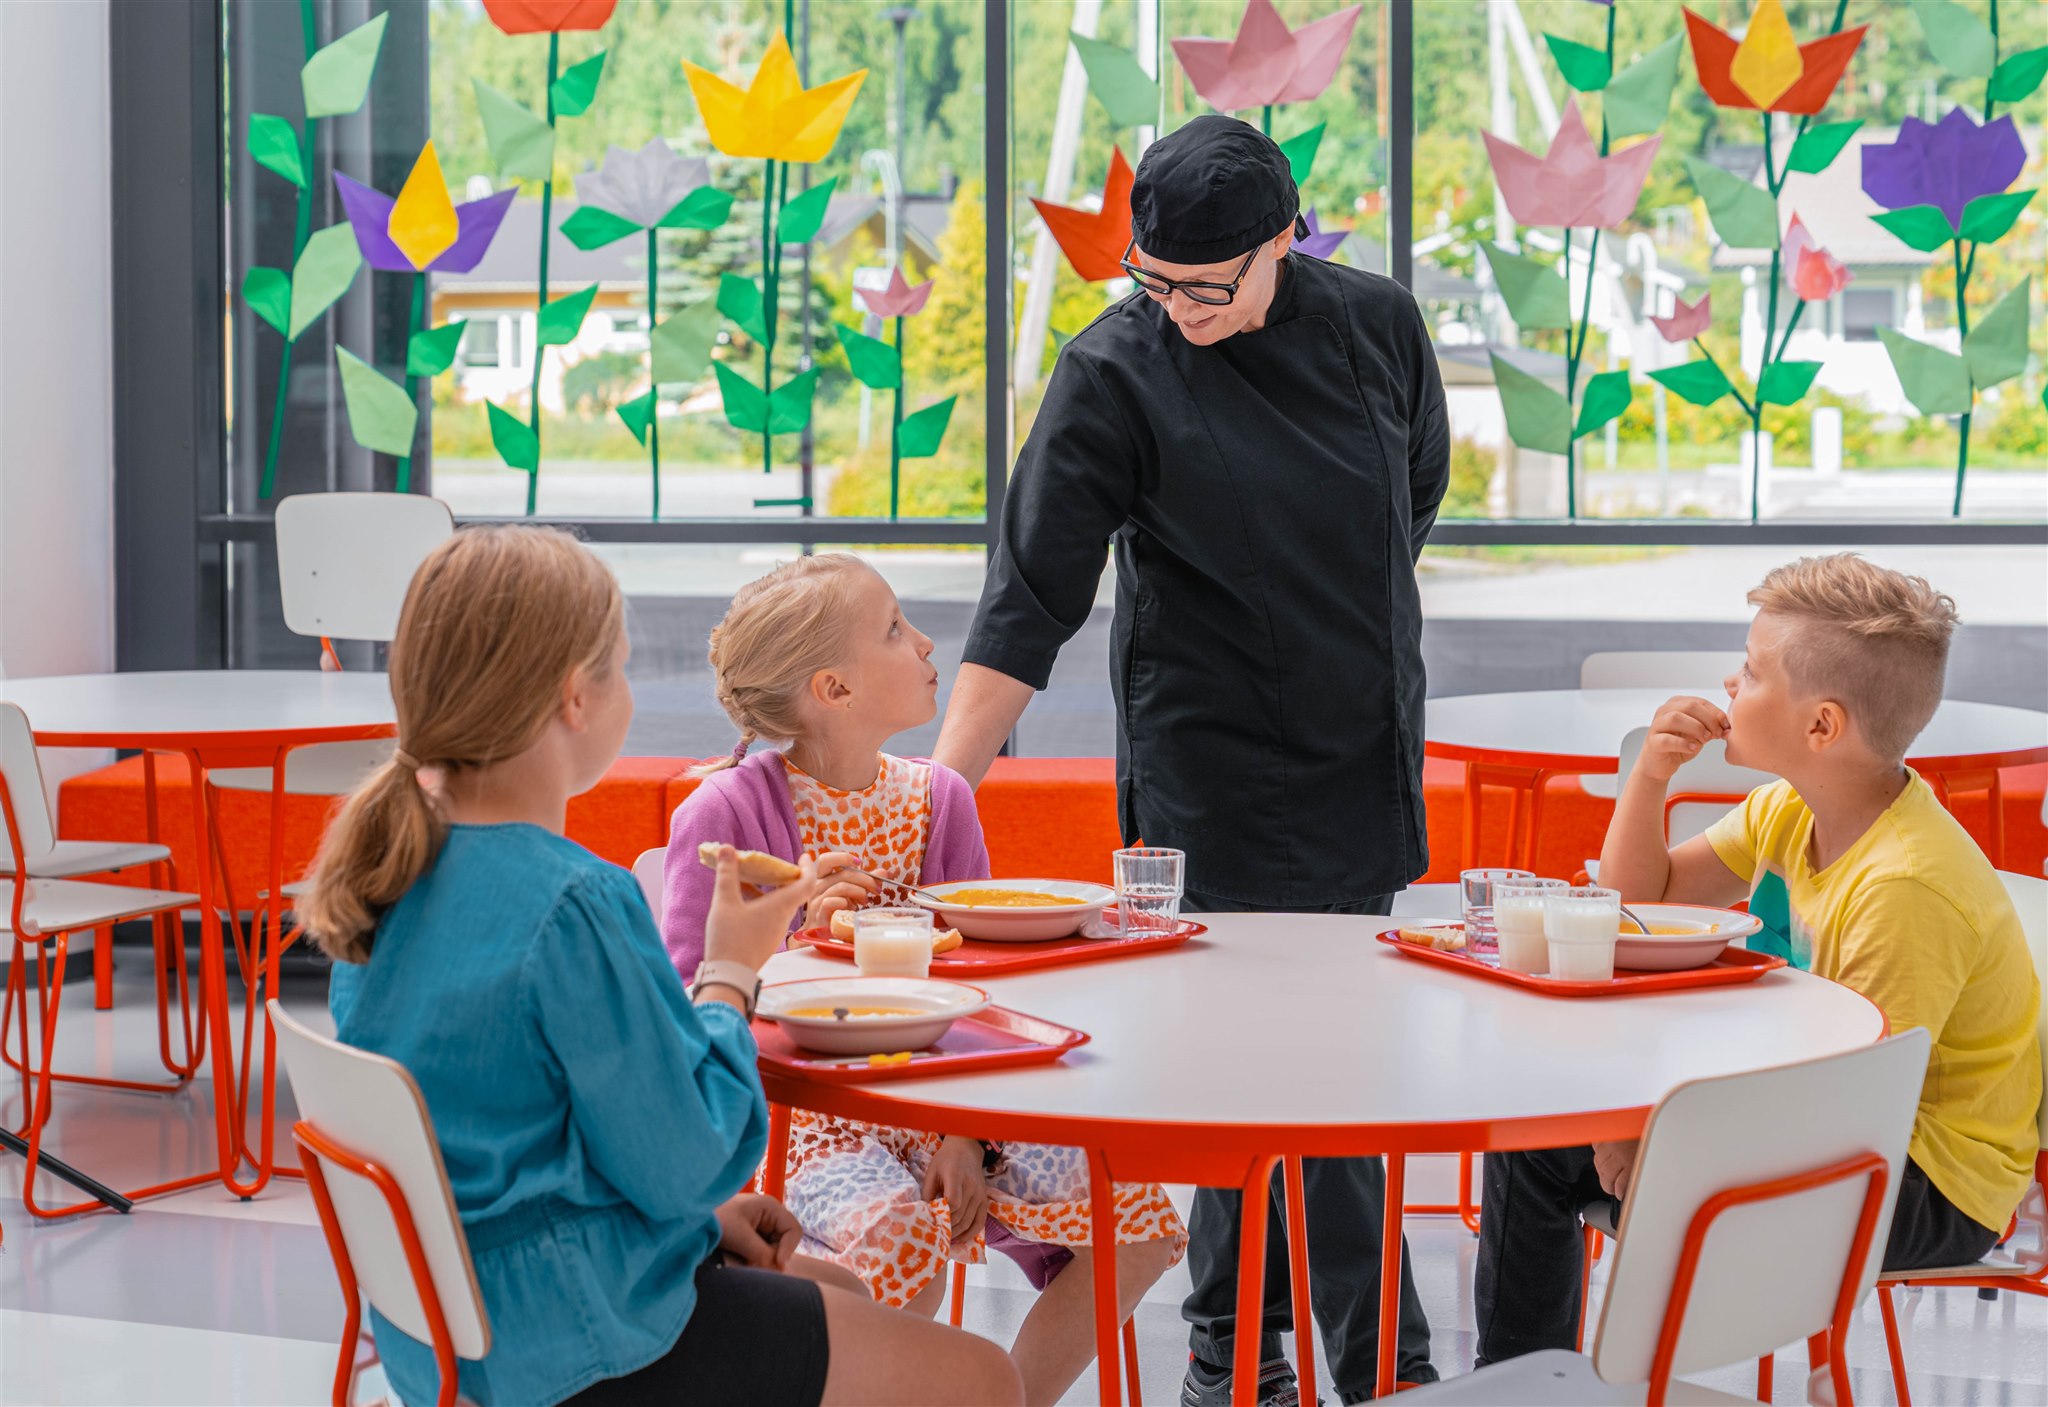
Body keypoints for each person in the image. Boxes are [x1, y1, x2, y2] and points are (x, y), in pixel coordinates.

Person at [932, 114, 1447, 1402]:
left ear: (1285, 238)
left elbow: (1412, 499)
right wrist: (935, 795)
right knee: (1251, 1083)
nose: (1175, 309)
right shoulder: (1112, 369)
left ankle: (1308, 1359)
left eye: (1203, 286)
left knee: (1338, 1081)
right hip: (1205, 765)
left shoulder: (1377, 326)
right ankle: (1285, 1360)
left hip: (1354, 747)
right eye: (1149, 281)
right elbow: (1025, 601)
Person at [301, 526, 1022, 1407]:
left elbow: (512, 1140)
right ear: (576, 697)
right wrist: (731, 970)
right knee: (983, 1379)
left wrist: (705, 1223)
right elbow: (700, 1157)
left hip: (451, 1336)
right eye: (622, 668)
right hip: (582, 1338)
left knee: (843, 1294)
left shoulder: (382, 882)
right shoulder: (576, 904)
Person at [1475, 554, 2042, 1373]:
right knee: (1537, 1134)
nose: (1730, 685)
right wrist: (1651, 774)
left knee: (1600, 1145)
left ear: (1821, 727)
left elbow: (1850, 1109)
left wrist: (1660, 1141)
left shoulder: (1905, 887)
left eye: (1750, 670)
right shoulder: (1795, 805)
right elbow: (1639, 900)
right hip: (1838, 1118)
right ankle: (1521, 1386)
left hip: (1925, 1181)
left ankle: (1588, 1374)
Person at [661, 552, 1186, 1407]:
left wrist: (964, 1135)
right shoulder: (722, 812)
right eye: (896, 629)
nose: (927, 642)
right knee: (905, 1236)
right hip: (810, 1120)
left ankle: (996, 1396)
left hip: (953, 1099)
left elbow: (983, 986)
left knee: (1140, 1223)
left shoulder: (941, 798)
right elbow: (689, 1016)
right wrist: (790, 926)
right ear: (833, 688)